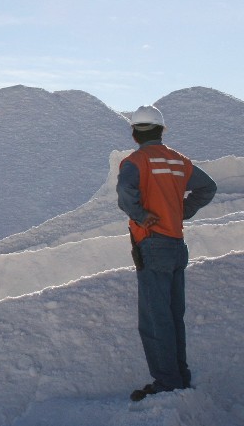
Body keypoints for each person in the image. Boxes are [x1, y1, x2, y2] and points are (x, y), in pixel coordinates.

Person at [116, 105, 217, 402]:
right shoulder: (178, 161)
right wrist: (180, 211)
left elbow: (125, 193)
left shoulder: (135, 161)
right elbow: (207, 188)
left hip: (152, 243)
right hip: (176, 245)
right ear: (162, 130)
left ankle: (167, 385)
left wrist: (140, 213)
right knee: (173, 316)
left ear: (135, 134)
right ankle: (179, 378)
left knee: (154, 319)